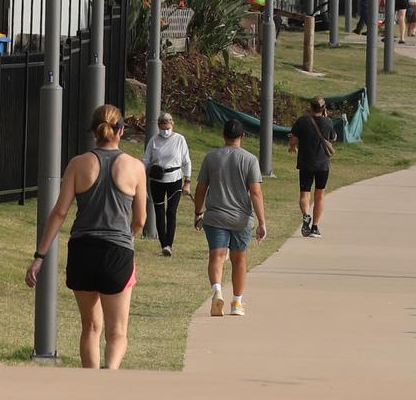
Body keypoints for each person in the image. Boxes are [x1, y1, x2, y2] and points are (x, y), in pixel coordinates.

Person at [26, 104, 147, 369]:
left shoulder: (78, 164)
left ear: (94, 132)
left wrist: (39, 257)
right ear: (121, 131)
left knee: (91, 327)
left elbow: (59, 213)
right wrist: (129, 237)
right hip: (117, 252)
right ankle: (109, 373)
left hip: (82, 251)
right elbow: (139, 220)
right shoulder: (135, 167)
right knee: (117, 332)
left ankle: (90, 381)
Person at [193, 119, 267, 317]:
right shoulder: (250, 160)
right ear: (242, 136)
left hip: (215, 216)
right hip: (241, 218)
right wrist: (262, 221)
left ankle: (217, 290)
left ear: (223, 135)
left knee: (216, 256)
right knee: (239, 259)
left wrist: (198, 211)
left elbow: (201, 188)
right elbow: (256, 193)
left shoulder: (211, 157)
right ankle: (237, 302)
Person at [142, 112, 192, 256]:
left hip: (175, 178)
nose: (165, 130)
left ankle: (169, 244)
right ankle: (163, 244)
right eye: (162, 127)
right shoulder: (154, 141)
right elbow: (146, 160)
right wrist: (140, 174)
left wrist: (187, 181)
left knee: (171, 212)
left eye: (167, 127)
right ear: (158, 126)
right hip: (157, 179)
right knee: (159, 212)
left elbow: (186, 161)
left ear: (172, 125)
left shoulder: (179, 140)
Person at [288, 97, 337, 238]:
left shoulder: (302, 121)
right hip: (323, 165)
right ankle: (315, 227)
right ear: (323, 109)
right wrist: (326, 118)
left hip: (305, 163)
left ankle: (305, 216)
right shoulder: (328, 122)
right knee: (319, 194)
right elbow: (333, 138)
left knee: (304, 193)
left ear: (310, 107)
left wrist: (292, 147)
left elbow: (293, 140)